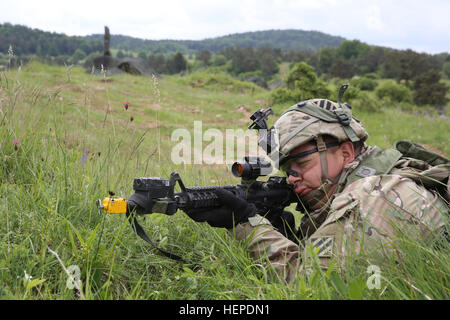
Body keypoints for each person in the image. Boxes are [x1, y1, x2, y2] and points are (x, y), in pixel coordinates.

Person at [183, 97, 449, 282]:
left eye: (302, 163)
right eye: (288, 170)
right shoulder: (373, 181)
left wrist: (247, 225)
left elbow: (314, 287)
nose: (292, 178)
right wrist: (285, 235)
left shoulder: (374, 195)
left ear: (345, 153)